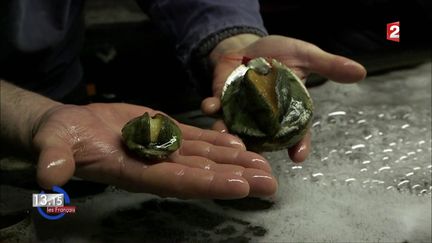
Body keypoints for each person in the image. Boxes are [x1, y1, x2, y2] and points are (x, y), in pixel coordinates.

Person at [0, 0, 366, 199]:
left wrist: (231, 41)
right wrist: (28, 116)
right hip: (43, 116)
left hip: (66, 101)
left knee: (60, 208)